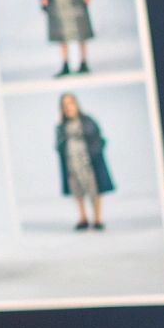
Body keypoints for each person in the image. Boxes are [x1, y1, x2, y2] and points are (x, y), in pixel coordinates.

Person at [56, 93, 114, 231]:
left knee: (94, 189)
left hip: (89, 161)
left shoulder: (87, 121)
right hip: (71, 163)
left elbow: (98, 138)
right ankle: (83, 218)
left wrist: (94, 151)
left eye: (70, 103)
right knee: (77, 190)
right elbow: (59, 143)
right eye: (65, 105)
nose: (68, 107)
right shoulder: (62, 125)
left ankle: (98, 219)